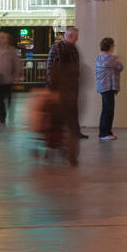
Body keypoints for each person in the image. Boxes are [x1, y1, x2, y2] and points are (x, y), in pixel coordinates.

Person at [46, 26, 83, 164]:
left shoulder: (72, 48)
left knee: (69, 123)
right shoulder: (58, 48)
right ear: (70, 36)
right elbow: (51, 71)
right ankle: (63, 151)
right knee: (60, 123)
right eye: (76, 36)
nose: (78, 39)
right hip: (61, 93)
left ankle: (69, 152)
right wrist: (53, 91)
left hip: (70, 93)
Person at [0, 31, 24, 124]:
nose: (0, 39)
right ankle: (2, 116)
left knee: (7, 98)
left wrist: (16, 76)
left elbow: (17, 64)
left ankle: (9, 111)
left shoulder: (11, 50)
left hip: (8, 79)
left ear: (7, 39)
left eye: (3, 37)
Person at [94, 37, 122, 141]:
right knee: (108, 111)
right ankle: (105, 133)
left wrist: (114, 58)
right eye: (113, 45)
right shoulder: (110, 58)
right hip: (109, 86)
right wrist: (117, 59)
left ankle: (105, 132)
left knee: (106, 110)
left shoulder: (99, 57)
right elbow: (120, 67)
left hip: (102, 87)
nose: (114, 47)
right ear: (110, 46)